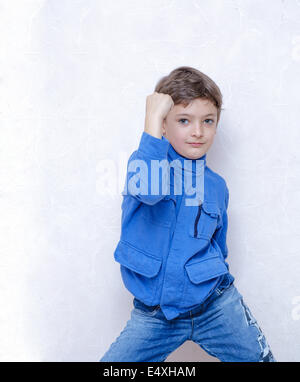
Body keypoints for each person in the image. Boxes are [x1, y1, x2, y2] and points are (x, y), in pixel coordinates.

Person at [99, 66, 276, 362]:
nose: (198, 131)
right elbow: (150, 191)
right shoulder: (144, 165)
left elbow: (219, 246)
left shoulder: (216, 186)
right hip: (155, 315)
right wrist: (152, 119)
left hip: (215, 306)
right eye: (184, 120)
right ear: (163, 127)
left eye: (208, 121)